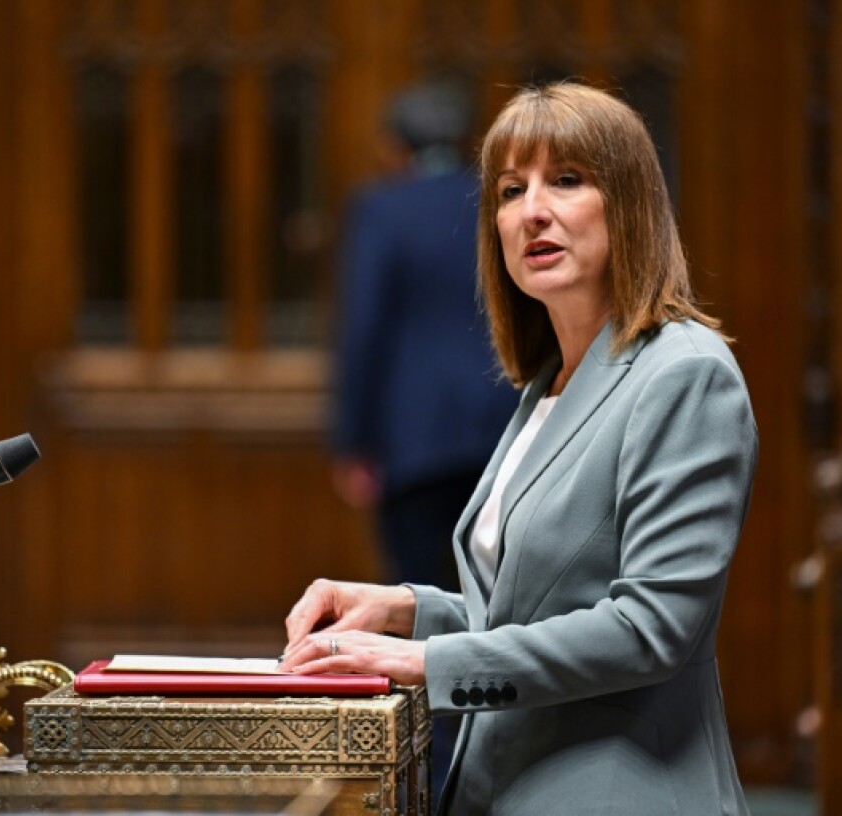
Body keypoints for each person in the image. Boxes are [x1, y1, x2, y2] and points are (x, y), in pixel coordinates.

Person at [282, 81, 758, 815]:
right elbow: (534, 607)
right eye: (510, 190)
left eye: (566, 181)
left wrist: (425, 661)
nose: (532, 209)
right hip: (509, 786)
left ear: (628, 202)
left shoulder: (684, 373)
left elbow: (647, 629)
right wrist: (408, 609)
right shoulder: (550, 383)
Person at [331, 80, 520, 804]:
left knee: (417, 608)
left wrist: (355, 442)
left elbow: (364, 329)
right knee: (502, 607)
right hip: (504, 429)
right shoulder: (493, 201)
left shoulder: (380, 207)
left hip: (412, 441)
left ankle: (440, 779)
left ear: (392, 149)